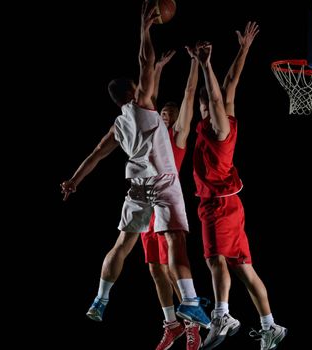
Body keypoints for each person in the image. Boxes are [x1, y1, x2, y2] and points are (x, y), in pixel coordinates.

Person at [60, 0, 210, 331]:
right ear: (133, 90)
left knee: (121, 245)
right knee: (176, 240)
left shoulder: (118, 125)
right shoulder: (143, 104)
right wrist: (145, 29)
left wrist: (73, 181)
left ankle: (100, 298)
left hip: (136, 188)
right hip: (163, 183)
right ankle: (189, 302)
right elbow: (147, 59)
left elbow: (95, 155)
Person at [189, 23, 287, 350]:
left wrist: (205, 64)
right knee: (244, 269)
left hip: (219, 205)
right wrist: (243, 49)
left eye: (207, 105)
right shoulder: (224, 118)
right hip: (228, 205)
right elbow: (230, 84)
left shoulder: (219, 130)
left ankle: (222, 314)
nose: (209, 106)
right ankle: (270, 325)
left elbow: (218, 93)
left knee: (216, 259)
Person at [141, 47, 202, 350]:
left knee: (171, 267)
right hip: (145, 205)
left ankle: (192, 325)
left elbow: (189, 95)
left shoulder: (177, 138)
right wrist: (160, 67)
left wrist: (194, 63)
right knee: (154, 268)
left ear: (177, 120)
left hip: (167, 204)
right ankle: (171, 325)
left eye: (170, 114)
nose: (164, 117)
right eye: (163, 114)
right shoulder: (153, 134)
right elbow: (148, 102)